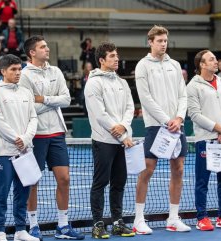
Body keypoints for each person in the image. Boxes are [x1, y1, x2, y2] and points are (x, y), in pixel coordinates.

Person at [19, 35, 84, 240]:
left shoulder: (55, 71)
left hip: (57, 133)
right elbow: (29, 106)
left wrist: (45, 99)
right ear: (32, 52)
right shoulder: (24, 75)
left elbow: (66, 99)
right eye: (43, 47)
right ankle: (33, 225)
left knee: (64, 179)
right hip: (36, 135)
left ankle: (63, 226)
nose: (47, 49)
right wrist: (51, 102)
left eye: (47, 46)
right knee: (33, 181)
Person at [134, 25, 189, 234]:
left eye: (165, 40)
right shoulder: (142, 66)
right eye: (159, 41)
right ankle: (139, 219)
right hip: (157, 125)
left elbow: (182, 95)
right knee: (147, 170)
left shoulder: (174, 65)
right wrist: (167, 120)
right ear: (150, 42)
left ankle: (173, 218)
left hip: (177, 125)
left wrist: (179, 118)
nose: (163, 44)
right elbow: (145, 99)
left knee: (179, 169)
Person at [84, 42, 135, 238]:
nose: (117, 58)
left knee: (119, 183)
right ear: (102, 60)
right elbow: (100, 115)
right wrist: (123, 135)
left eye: (117, 55)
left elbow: (130, 107)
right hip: (103, 140)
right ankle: (97, 224)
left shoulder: (122, 82)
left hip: (122, 141)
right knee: (100, 182)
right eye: (112, 56)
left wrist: (124, 128)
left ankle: (117, 222)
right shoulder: (94, 83)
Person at [0, 54, 39, 241]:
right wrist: (16, 138)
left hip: (25, 151)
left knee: (22, 193)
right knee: (1, 193)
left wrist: (25, 139)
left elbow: (33, 118)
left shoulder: (26, 92)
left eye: (19, 69)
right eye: (13, 70)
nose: (18, 73)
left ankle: (20, 230)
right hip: (4, 152)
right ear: (3, 71)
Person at [187, 50, 221, 231]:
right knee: (202, 181)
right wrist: (219, 128)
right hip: (205, 140)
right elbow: (194, 114)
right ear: (201, 64)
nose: (215, 62)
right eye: (211, 60)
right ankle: (201, 218)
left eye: (215, 59)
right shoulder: (193, 86)